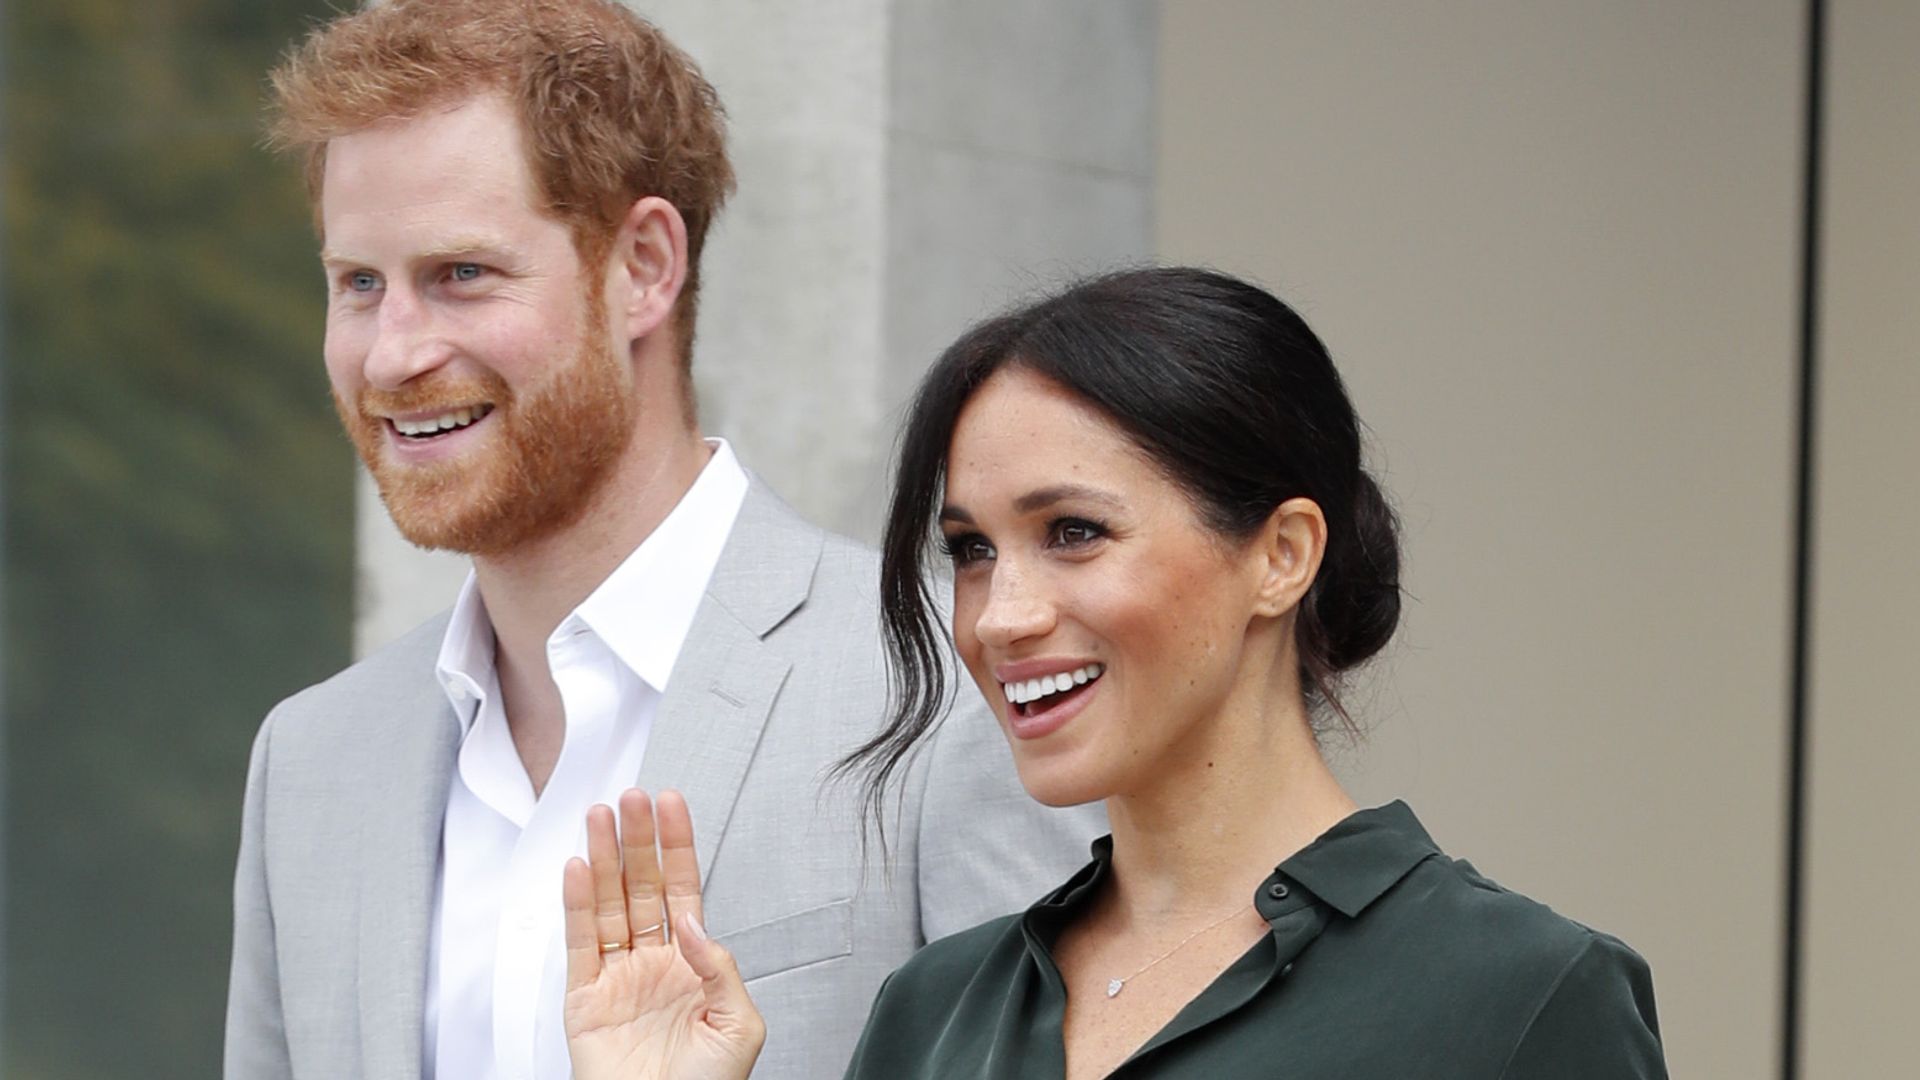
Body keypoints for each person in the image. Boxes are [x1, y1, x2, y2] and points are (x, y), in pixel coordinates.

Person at [223, 2, 1098, 1078]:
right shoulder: (311, 763)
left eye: (461, 275)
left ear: (643, 265)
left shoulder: (939, 691)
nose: (391, 354)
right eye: (358, 282)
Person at [553, 267, 1670, 1079]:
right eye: (972, 550)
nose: (1003, 615)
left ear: (1281, 555)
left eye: (1075, 532)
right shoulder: (935, 1014)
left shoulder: (1520, 995)